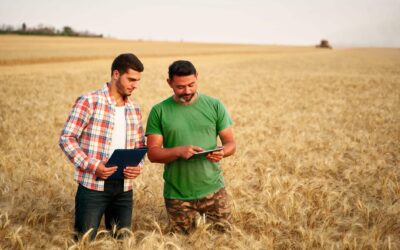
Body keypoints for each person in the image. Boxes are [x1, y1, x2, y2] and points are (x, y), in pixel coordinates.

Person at [59, 53, 146, 240]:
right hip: (92, 187)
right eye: (131, 79)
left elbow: (140, 145)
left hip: (124, 188)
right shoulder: (89, 101)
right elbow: (67, 138)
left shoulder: (134, 108)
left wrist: (138, 167)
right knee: (84, 241)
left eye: (137, 80)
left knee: (122, 242)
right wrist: (93, 166)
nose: (135, 85)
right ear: (116, 74)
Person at [145, 60, 236, 234]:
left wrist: (222, 152)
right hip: (177, 195)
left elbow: (231, 143)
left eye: (191, 85)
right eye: (180, 87)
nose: (187, 91)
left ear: (197, 78)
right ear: (169, 82)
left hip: (214, 190)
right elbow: (153, 153)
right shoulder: (159, 111)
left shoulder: (215, 105)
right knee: (181, 243)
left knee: (225, 240)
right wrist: (178, 151)